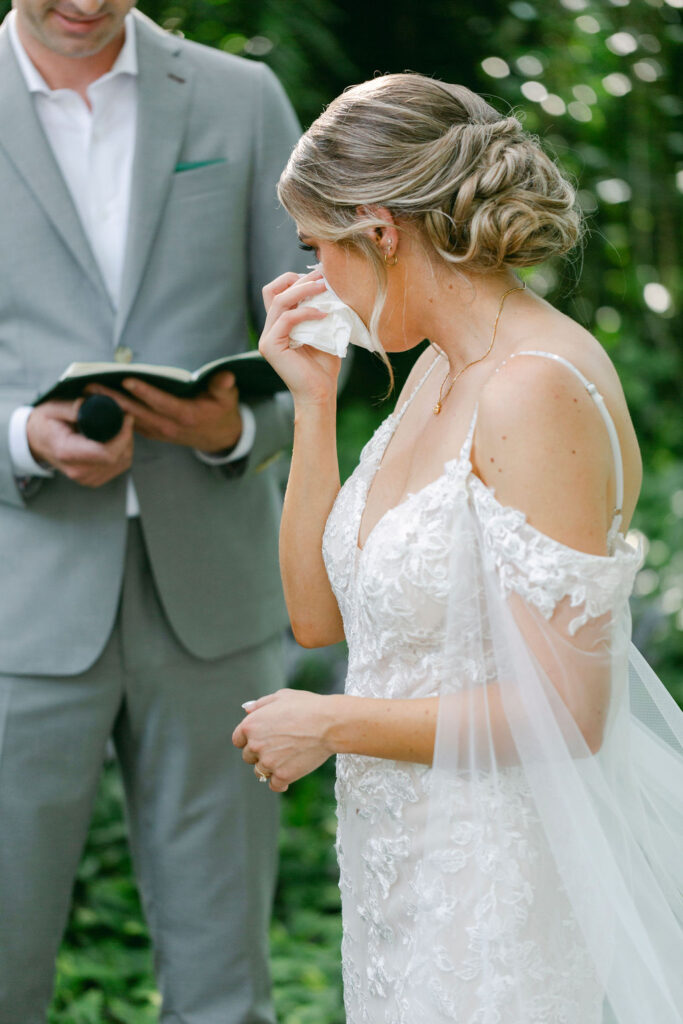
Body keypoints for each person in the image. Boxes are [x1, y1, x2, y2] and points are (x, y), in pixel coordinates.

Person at [233, 74, 683, 1024]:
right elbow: (317, 616)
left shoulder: (532, 387)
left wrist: (330, 723)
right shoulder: (439, 365)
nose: (313, 280)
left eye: (318, 247)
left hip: (500, 890)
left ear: (379, 229)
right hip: (402, 866)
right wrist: (313, 404)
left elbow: (569, 713)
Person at [0, 0, 303, 1020]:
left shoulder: (241, 98)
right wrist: (20, 438)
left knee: (226, 982)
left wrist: (230, 430)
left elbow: (322, 326)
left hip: (215, 600)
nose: (83, 3)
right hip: (14, 604)